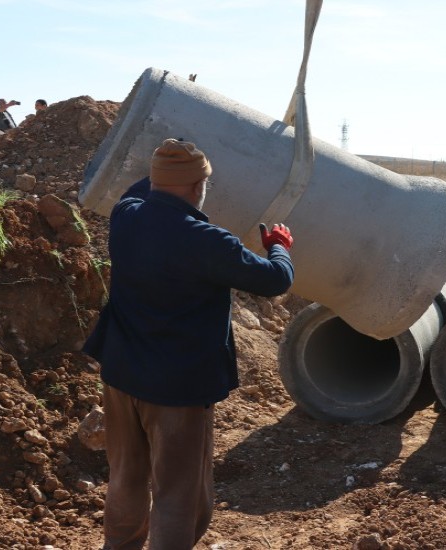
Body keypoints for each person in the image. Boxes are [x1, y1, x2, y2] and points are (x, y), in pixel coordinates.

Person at [82, 139, 295, 549]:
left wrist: (168, 161)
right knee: (179, 495)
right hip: (176, 391)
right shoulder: (208, 241)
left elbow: (140, 190)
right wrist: (280, 248)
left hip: (121, 374)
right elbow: (275, 280)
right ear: (199, 185)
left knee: (125, 477)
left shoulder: (126, 216)